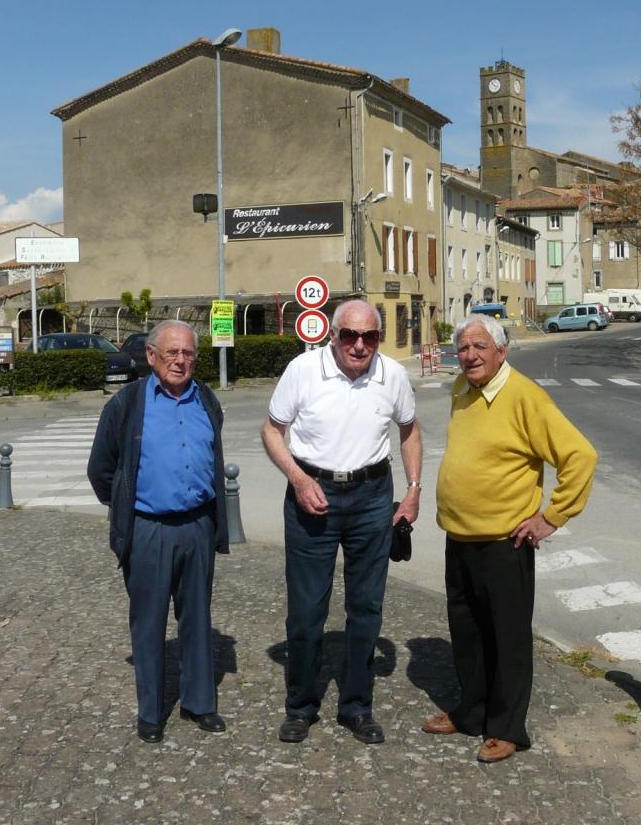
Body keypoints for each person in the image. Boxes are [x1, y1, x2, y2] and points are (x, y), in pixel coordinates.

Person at [423, 313, 597, 763]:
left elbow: (580, 456)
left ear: (502, 351)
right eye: (463, 348)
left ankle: (507, 728)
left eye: (480, 347)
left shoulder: (524, 396)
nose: (470, 355)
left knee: (508, 639)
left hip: (505, 542)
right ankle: (471, 713)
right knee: (468, 635)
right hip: (459, 536)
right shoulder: (463, 390)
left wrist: (551, 517)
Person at [260, 299, 422, 746]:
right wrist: (297, 478)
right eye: (349, 335)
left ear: (378, 339)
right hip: (313, 495)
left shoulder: (393, 375)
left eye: (369, 336)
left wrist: (413, 489)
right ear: (332, 335)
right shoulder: (303, 370)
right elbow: (272, 430)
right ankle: (301, 706)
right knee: (307, 610)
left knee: (367, 609)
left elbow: (409, 430)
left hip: (372, 497)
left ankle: (356, 707)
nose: (358, 345)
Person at [87, 319, 230, 744]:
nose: (181, 361)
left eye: (188, 353)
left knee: (197, 617)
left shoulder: (206, 398)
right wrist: (129, 507)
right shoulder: (128, 404)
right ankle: (151, 711)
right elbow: (101, 470)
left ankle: (198, 702)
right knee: (148, 622)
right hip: (148, 529)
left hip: (198, 525)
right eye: (172, 353)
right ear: (151, 356)